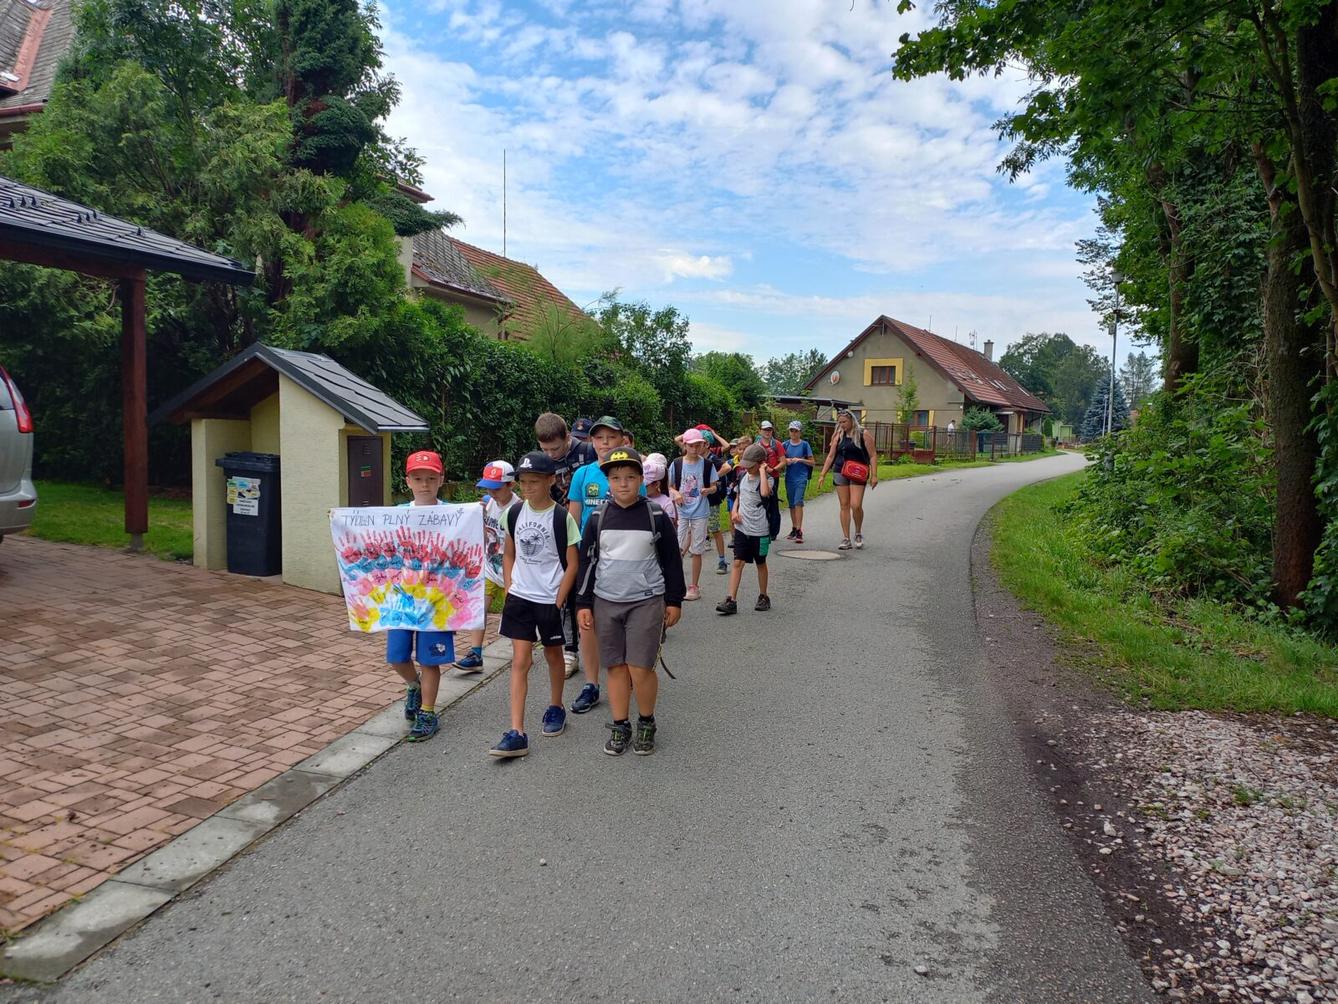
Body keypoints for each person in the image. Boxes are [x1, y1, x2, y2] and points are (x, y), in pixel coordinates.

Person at [575, 448, 685, 756]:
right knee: (615, 666)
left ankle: (646, 721)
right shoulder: (598, 518)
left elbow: (671, 561)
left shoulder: (656, 516)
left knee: (640, 667)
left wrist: (674, 600)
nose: (623, 484)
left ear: (641, 479)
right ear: (608, 481)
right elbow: (587, 563)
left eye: (630, 477)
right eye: (616, 478)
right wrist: (583, 603)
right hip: (606, 602)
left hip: (646, 602)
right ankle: (620, 724)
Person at [489, 451, 581, 758]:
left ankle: (556, 706)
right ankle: (517, 731)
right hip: (521, 597)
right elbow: (508, 553)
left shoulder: (561, 517)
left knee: (555, 655)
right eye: (523, 482)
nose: (527, 488)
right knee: (520, 660)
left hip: (548, 599)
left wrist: (559, 599)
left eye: (534, 482)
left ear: (550, 481)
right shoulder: (514, 513)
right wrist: (510, 584)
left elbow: (572, 563)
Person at [565, 416, 633, 714]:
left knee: (625, 619)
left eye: (611, 437)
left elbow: (639, 517)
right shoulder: (583, 475)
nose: (605, 443)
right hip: (588, 559)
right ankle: (592, 684)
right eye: (599, 438)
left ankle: (626, 671)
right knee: (587, 622)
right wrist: (572, 558)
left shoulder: (632, 474)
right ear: (591, 442)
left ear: (622, 441)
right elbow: (573, 519)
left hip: (623, 560)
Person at [389, 450, 456, 742]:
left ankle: (428, 712)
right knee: (397, 656)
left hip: (437, 600)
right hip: (402, 599)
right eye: (418, 478)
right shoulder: (397, 514)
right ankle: (413, 686)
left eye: (431, 478)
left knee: (430, 659)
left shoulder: (453, 514)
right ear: (408, 481)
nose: (425, 484)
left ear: (440, 479)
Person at [535, 412, 595, 678]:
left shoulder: (589, 453)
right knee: (567, 592)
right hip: (560, 535)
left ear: (568, 438)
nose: (551, 455)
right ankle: (570, 650)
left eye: (555, 448)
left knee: (593, 591)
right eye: (544, 449)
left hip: (592, 532)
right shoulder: (540, 462)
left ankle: (601, 643)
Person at [453, 459, 514, 673]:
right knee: (479, 610)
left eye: (497, 488)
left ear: (510, 485)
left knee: (514, 616)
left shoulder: (517, 509)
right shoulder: (488, 503)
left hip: (511, 571)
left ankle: (520, 654)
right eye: (488, 486)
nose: (492, 492)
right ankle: (475, 653)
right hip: (489, 568)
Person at [716, 443, 772, 615]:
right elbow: (738, 497)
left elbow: (764, 493)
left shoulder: (768, 479)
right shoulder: (742, 477)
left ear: (760, 463)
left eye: (751, 466)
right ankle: (731, 599)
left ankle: (763, 596)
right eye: (745, 465)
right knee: (737, 562)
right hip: (742, 528)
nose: (747, 469)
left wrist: (763, 471)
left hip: (760, 530)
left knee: (760, 563)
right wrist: (734, 512)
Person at [668, 428, 719, 601]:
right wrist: (676, 494)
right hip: (682, 511)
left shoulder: (707, 464)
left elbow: (715, 486)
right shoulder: (676, 463)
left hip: (700, 511)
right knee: (678, 548)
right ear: (685, 445)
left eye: (698, 445)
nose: (695, 449)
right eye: (691, 445)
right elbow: (668, 486)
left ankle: (694, 586)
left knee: (697, 550)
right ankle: (676, 584)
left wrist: (708, 490)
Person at [818, 408, 879, 549]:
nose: (842, 425)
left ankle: (858, 532)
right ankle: (846, 538)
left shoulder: (863, 434)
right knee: (844, 505)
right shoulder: (838, 435)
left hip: (858, 471)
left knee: (855, 505)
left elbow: (873, 455)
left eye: (844, 422)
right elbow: (831, 456)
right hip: (840, 471)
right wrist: (822, 474)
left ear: (852, 420)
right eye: (839, 422)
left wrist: (874, 475)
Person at [781, 421, 814, 542]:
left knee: (798, 502)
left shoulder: (805, 445)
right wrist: (787, 461)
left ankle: (799, 530)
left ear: (800, 432)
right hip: (789, 477)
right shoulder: (785, 445)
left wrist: (800, 460)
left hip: (801, 477)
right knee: (791, 504)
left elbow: (812, 462)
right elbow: (781, 460)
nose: (793, 433)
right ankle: (794, 527)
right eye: (791, 430)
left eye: (796, 431)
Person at [642, 453, 678, 527]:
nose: (641, 488)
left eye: (645, 485)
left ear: (656, 484)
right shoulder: (638, 498)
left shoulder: (667, 503)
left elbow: (668, 528)